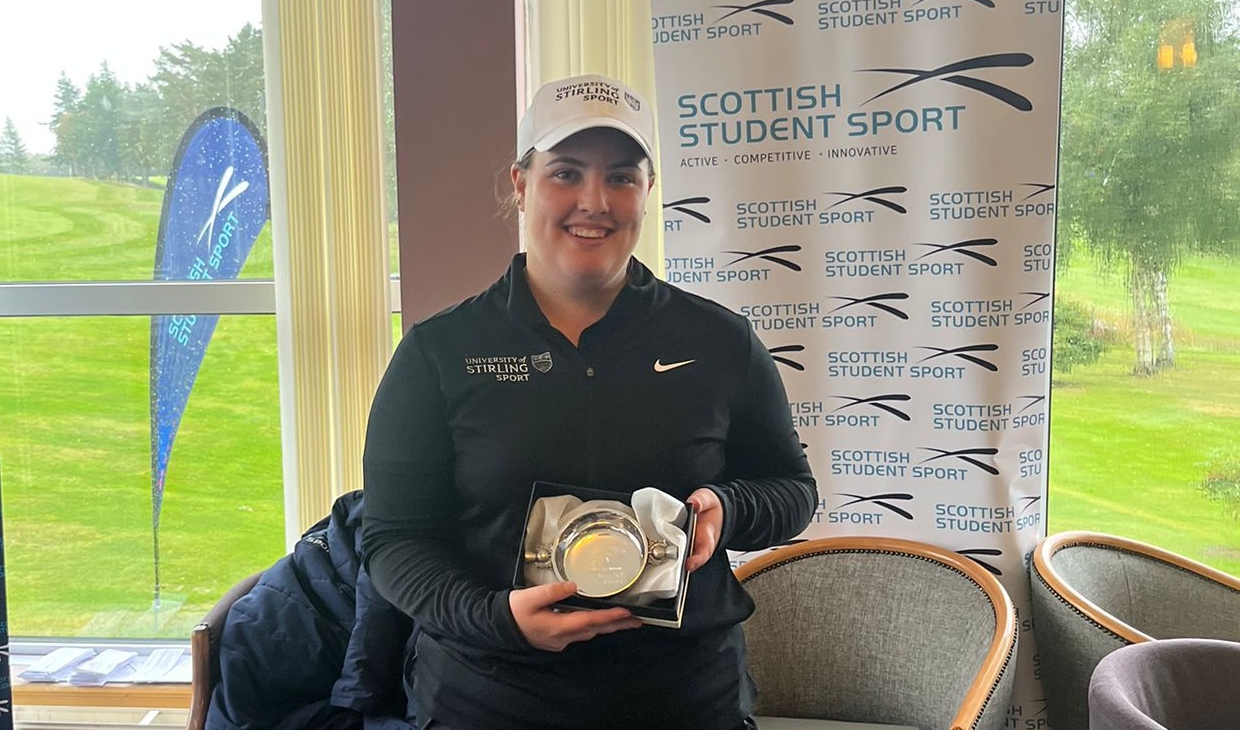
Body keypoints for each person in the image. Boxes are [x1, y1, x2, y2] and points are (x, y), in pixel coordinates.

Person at [361, 73, 817, 730]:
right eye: (567, 173)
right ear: (521, 185)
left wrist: (729, 507)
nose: (594, 200)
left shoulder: (719, 341)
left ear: (648, 191)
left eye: (622, 177)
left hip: (682, 693)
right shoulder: (439, 352)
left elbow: (792, 490)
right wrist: (496, 620)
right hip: (493, 690)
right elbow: (396, 539)